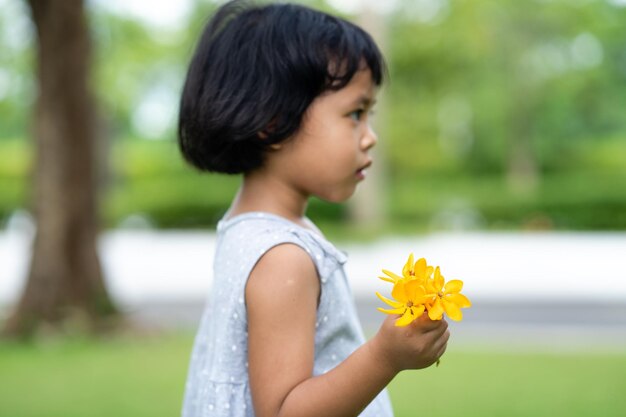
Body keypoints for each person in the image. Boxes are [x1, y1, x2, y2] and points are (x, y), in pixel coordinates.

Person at [177, 1, 450, 416]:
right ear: (271, 122)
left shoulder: (247, 230)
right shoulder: (283, 257)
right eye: (355, 113)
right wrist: (385, 356)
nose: (370, 136)